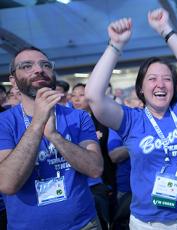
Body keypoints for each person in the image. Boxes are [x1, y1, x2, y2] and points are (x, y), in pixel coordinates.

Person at [85, 8, 177, 229]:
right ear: (141, 89)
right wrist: (116, 45)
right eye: (152, 79)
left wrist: (165, 29)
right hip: (148, 224)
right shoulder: (131, 120)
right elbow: (93, 96)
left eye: (167, 79)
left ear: (174, 87)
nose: (160, 84)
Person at [0, 47, 104, 229]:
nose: (39, 69)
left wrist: (55, 136)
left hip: (83, 225)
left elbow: (95, 169)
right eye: (26, 66)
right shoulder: (4, 123)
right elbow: (8, 184)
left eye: (45, 65)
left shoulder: (78, 117)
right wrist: (37, 124)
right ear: (13, 81)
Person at [71, 83, 114, 229]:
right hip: (76, 185)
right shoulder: (67, 121)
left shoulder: (102, 120)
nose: (77, 99)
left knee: (103, 221)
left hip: (100, 183)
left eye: (81, 95)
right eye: (74, 95)